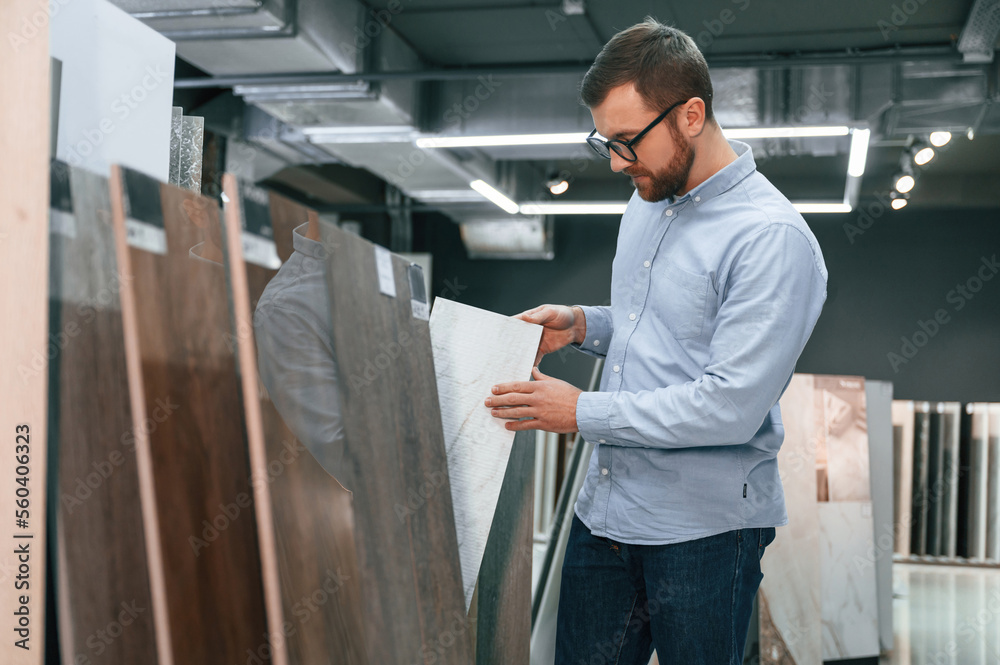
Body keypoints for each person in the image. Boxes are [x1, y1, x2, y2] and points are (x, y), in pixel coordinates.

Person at [485, 18, 828, 664]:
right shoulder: (647, 203)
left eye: (626, 140)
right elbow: (662, 329)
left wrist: (579, 412)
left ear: (691, 114)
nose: (616, 162)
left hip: (704, 535)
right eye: (604, 142)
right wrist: (584, 323)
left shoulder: (771, 239)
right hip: (606, 517)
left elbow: (728, 404)